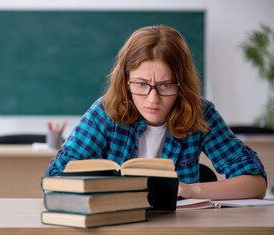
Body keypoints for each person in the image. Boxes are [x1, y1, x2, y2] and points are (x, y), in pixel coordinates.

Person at [44, 25, 267, 200]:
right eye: (141, 84)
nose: (153, 99)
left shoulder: (201, 113)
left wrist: (192, 191)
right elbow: (53, 182)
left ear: (182, 85)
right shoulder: (105, 112)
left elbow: (255, 185)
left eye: (166, 85)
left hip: (178, 231)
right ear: (126, 81)